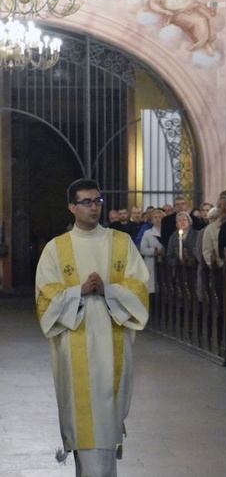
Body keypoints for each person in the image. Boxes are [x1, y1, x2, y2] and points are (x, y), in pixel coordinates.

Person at [35, 178, 149, 475]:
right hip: (75, 347)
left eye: (97, 201)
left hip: (113, 346)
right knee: (83, 423)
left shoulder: (121, 243)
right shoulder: (56, 249)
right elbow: (45, 297)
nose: (94, 207)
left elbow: (139, 289)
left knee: (106, 425)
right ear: (72, 207)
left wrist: (108, 290)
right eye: (86, 202)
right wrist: (79, 291)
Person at [140, 208, 166, 295]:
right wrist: (154, 252)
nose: (158, 219)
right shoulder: (147, 233)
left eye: (160, 217)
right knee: (152, 288)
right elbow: (143, 249)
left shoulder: (167, 232)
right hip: (151, 263)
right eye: (155, 217)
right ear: (152, 220)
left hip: (164, 262)